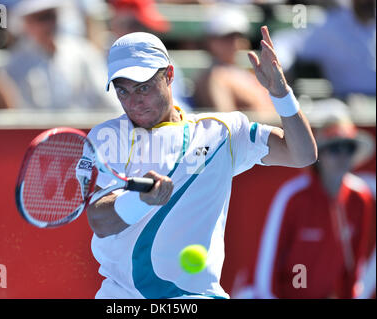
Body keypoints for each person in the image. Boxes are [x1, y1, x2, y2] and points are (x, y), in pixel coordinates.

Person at [77, 26, 317, 299]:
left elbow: (302, 155)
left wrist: (281, 94)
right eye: (123, 92)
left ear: (169, 75)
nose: (134, 102)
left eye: (143, 87)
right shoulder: (106, 137)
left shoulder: (223, 130)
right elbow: (100, 219)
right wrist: (142, 200)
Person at [252, 105, 375, 298]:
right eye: (335, 148)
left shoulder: (361, 198)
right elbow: (266, 270)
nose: (343, 156)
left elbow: (354, 268)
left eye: (349, 147)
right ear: (320, 154)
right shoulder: (293, 197)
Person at [4, 0, 121, 111]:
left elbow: (106, 98)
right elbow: (18, 112)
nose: (48, 24)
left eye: (51, 16)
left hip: (83, 129)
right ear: (26, 24)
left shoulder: (83, 53)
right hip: (37, 131)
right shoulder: (15, 64)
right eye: (41, 19)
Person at [193, 5, 275, 113]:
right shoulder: (214, 78)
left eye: (238, 36)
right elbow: (227, 123)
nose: (235, 43)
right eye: (227, 37)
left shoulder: (247, 73)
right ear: (210, 41)